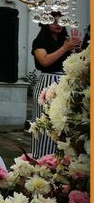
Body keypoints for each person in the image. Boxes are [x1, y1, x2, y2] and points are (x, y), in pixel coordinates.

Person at [30, 12, 81, 157]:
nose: (58, 24)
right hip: (48, 83)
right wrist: (64, 48)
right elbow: (45, 61)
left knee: (62, 123)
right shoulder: (39, 41)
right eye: (53, 21)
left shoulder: (65, 41)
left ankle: (59, 159)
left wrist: (77, 49)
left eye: (60, 21)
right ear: (45, 22)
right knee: (45, 122)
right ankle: (42, 158)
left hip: (65, 83)